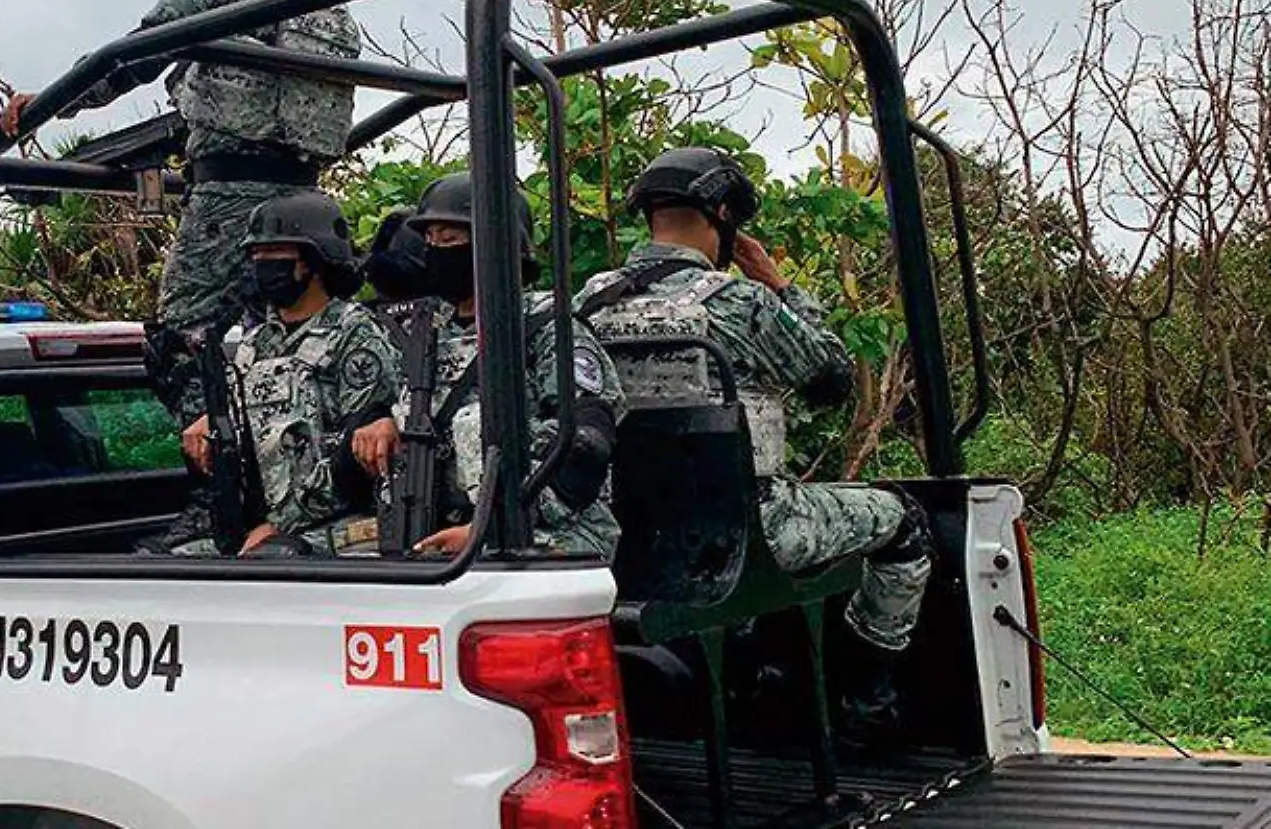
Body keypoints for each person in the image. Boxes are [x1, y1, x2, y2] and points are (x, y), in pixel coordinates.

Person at [576, 145, 933, 741]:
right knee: (907, 523)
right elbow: (833, 378)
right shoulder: (741, 302)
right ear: (721, 213)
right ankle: (869, 707)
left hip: (625, 533)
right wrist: (782, 286)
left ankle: (751, 680)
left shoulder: (586, 304)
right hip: (748, 528)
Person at [0, 0, 363, 425]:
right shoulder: (331, 3)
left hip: (229, 197)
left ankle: (217, 468)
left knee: (181, 340)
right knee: (280, 337)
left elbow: (138, 51)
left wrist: (50, 103)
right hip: (305, 199)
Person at [350, 172, 624, 559]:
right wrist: (382, 422)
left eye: (450, 240)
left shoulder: (544, 325)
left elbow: (586, 445)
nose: (435, 251)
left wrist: (493, 527)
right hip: (431, 535)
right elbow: (397, 407)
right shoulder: (424, 330)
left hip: (543, 534)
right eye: (429, 241)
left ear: (494, 244)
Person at [173, 190, 401, 556]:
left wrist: (280, 526)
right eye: (256, 255)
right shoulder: (258, 340)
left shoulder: (354, 334)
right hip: (262, 524)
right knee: (170, 562)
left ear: (312, 260)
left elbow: (356, 461)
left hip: (337, 525)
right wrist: (212, 425)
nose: (262, 265)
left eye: (275, 255)